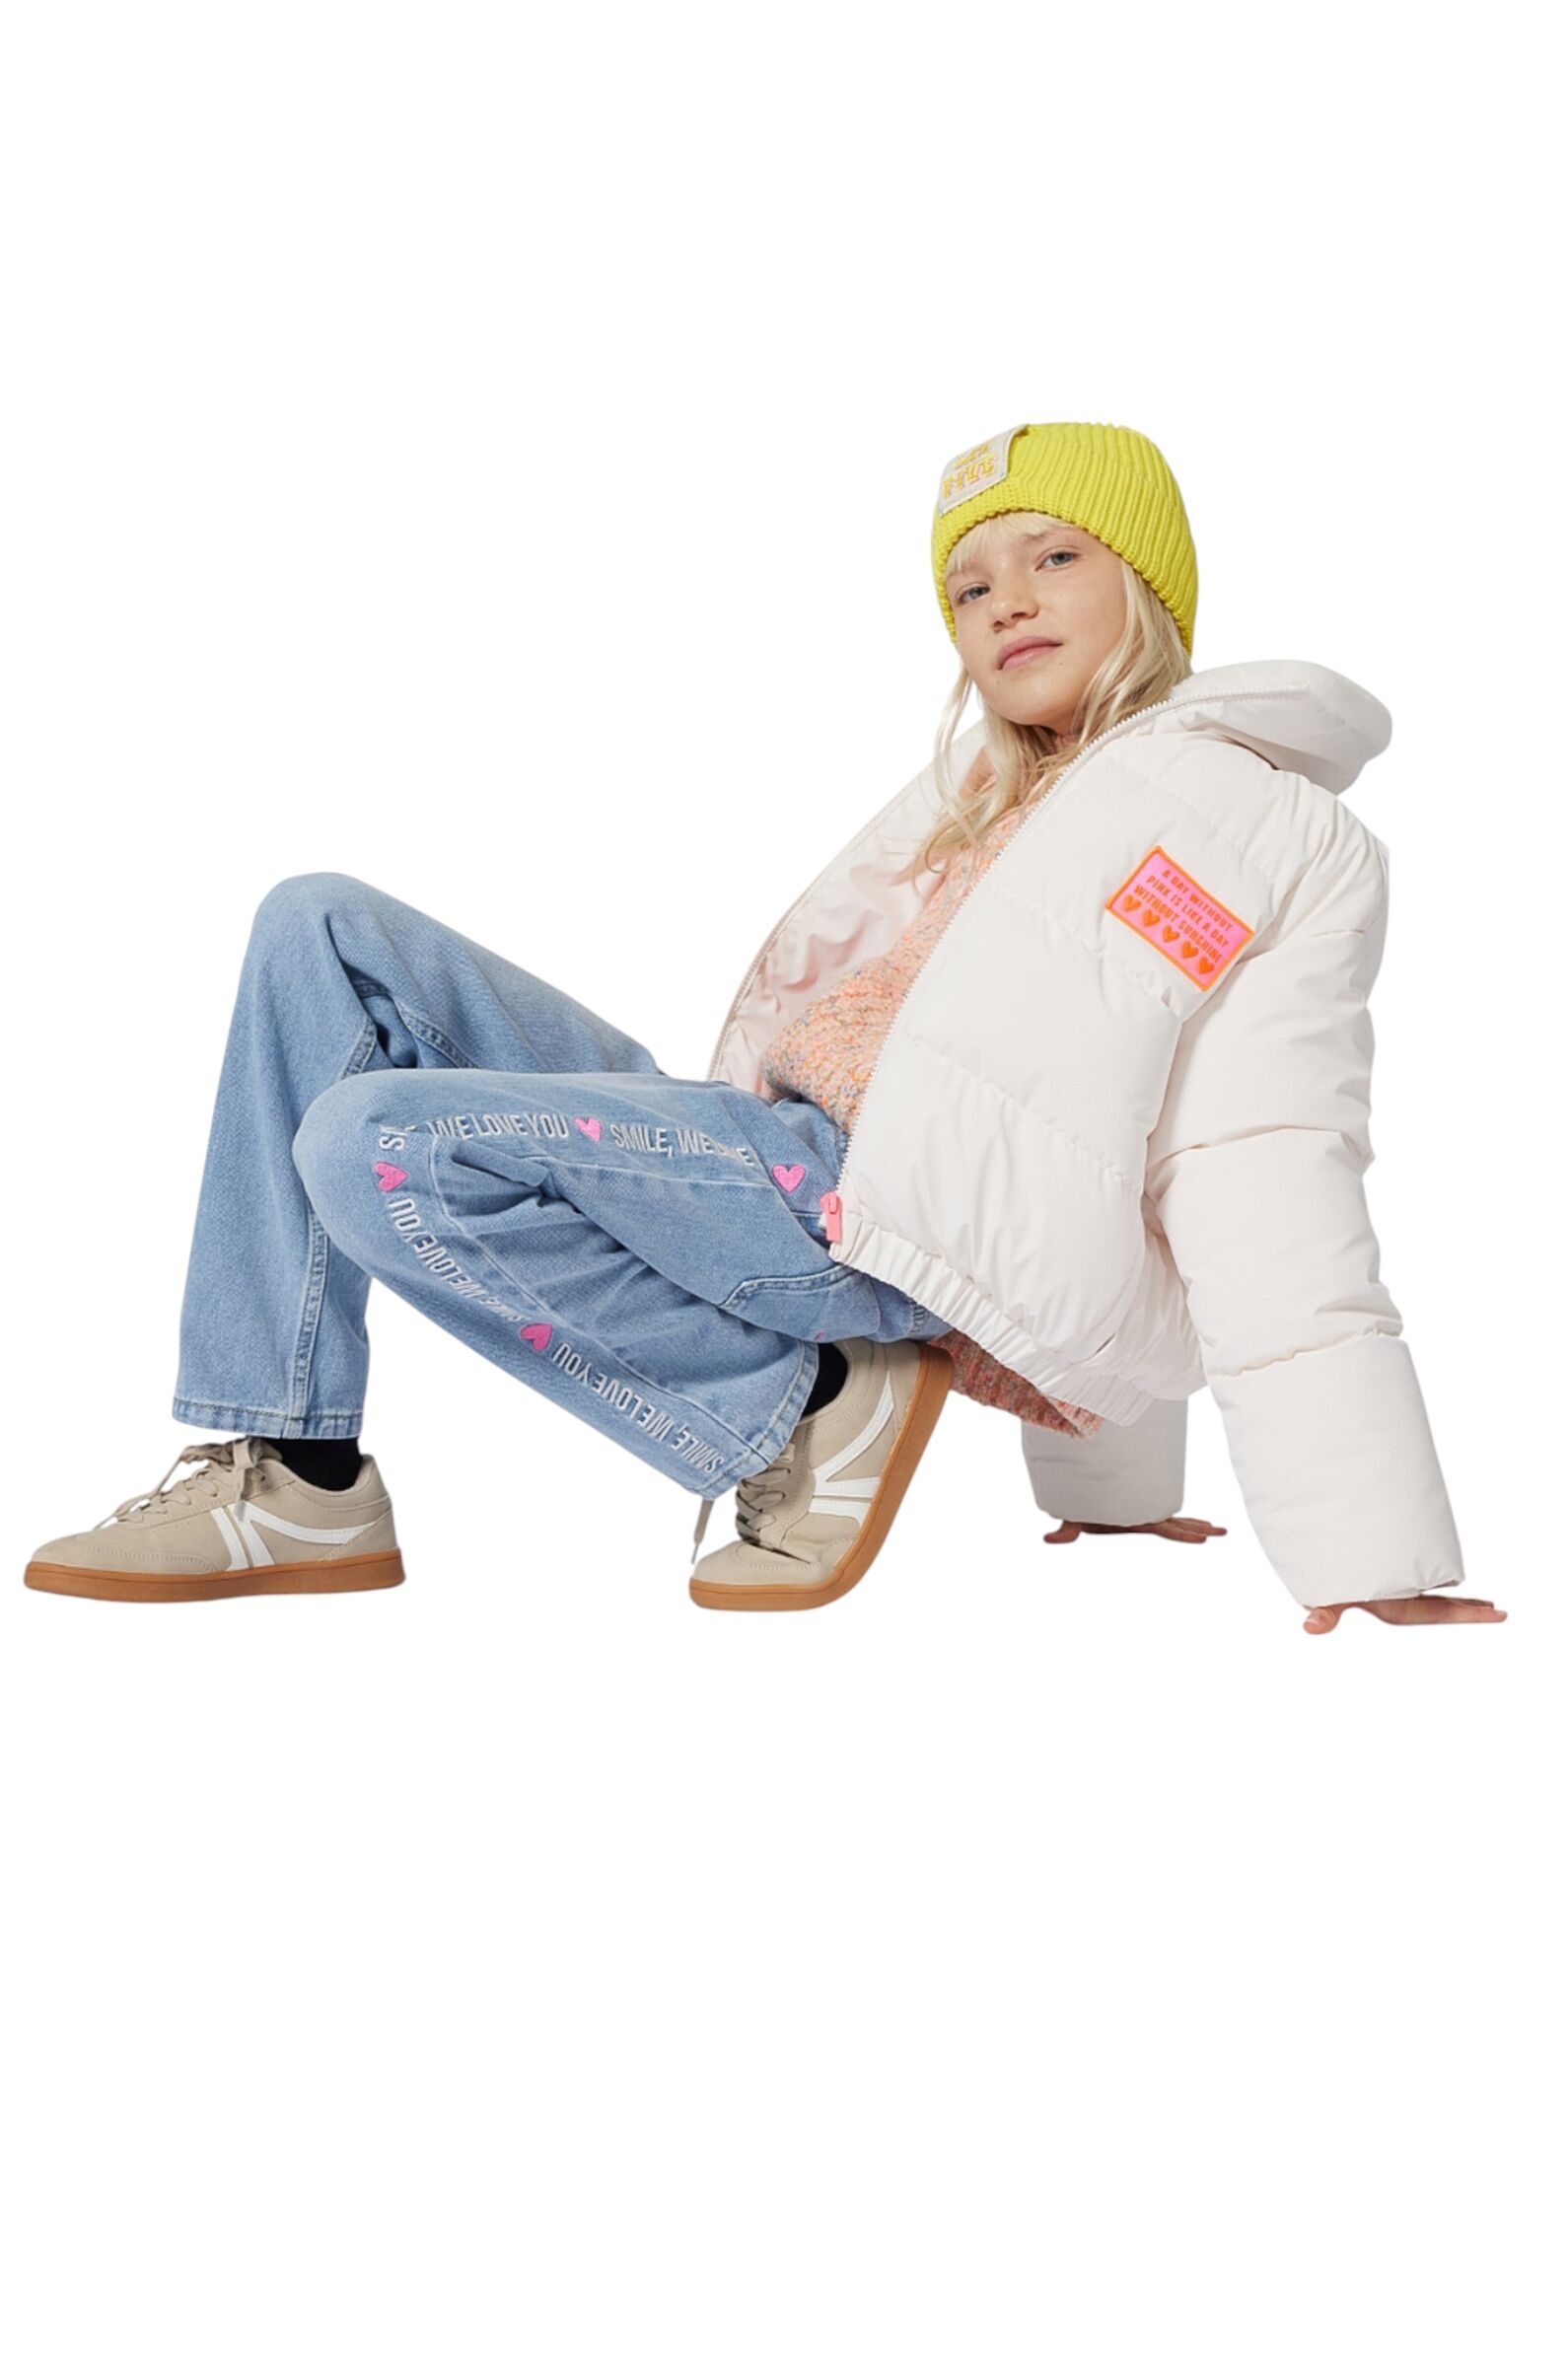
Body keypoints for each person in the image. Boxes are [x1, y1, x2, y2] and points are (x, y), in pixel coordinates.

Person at [25, 420, 1504, 1635]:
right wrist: (1111, 1500)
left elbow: (1241, 1156)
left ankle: (800, 1406)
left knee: (375, 1145)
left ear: (1155, 586)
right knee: (319, 925)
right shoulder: (982, 796)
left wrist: (1367, 1550)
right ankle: (291, 1467)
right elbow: (1047, 1113)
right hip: (766, 1155)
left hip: (865, 1214)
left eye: (1056, 556)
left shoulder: (1248, 823)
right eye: (970, 587)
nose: (1007, 601)